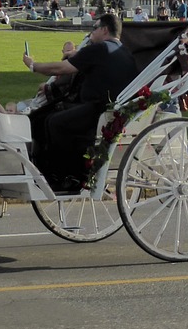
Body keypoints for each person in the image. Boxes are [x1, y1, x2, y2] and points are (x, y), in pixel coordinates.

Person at [22, 12, 138, 193]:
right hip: (109, 110)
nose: (92, 32)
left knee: (53, 122)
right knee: (44, 117)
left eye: (94, 28)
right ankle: (50, 172)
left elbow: (63, 68)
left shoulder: (100, 48)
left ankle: (67, 176)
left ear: (104, 30)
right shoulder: (124, 52)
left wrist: (33, 65)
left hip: (96, 108)